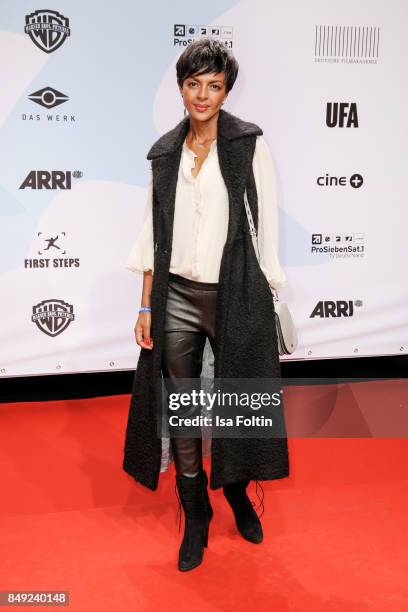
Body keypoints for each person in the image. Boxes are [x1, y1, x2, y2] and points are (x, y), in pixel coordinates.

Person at [123, 38, 289, 572]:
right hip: (176, 298)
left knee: (240, 405)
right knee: (185, 408)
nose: (203, 95)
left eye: (213, 85)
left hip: (236, 293)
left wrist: (269, 292)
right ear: (181, 88)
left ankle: (237, 491)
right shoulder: (165, 153)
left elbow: (268, 228)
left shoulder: (248, 144)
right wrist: (146, 306)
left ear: (226, 91)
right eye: (193, 84)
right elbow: (153, 234)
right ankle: (195, 512)